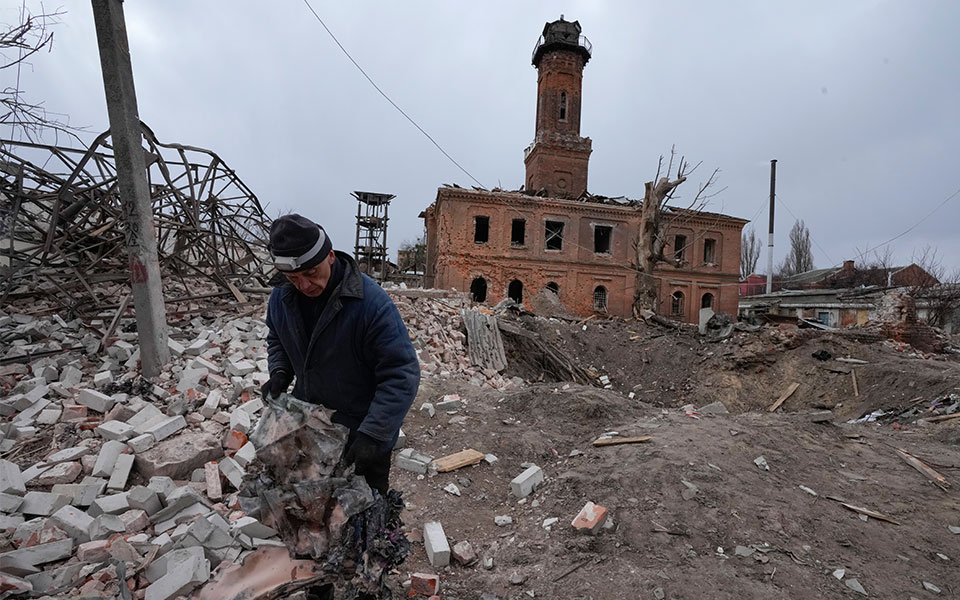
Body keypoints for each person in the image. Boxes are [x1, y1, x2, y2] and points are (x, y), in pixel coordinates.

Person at [261, 213, 420, 495]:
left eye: (311, 273)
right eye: (293, 277)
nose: (305, 285)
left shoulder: (371, 303)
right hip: (308, 425)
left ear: (330, 256)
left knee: (367, 512)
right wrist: (280, 371)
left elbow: (401, 373)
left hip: (361, 431)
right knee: (312, 509)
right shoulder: (282, 297)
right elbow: (277, 336)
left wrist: (374, 434)